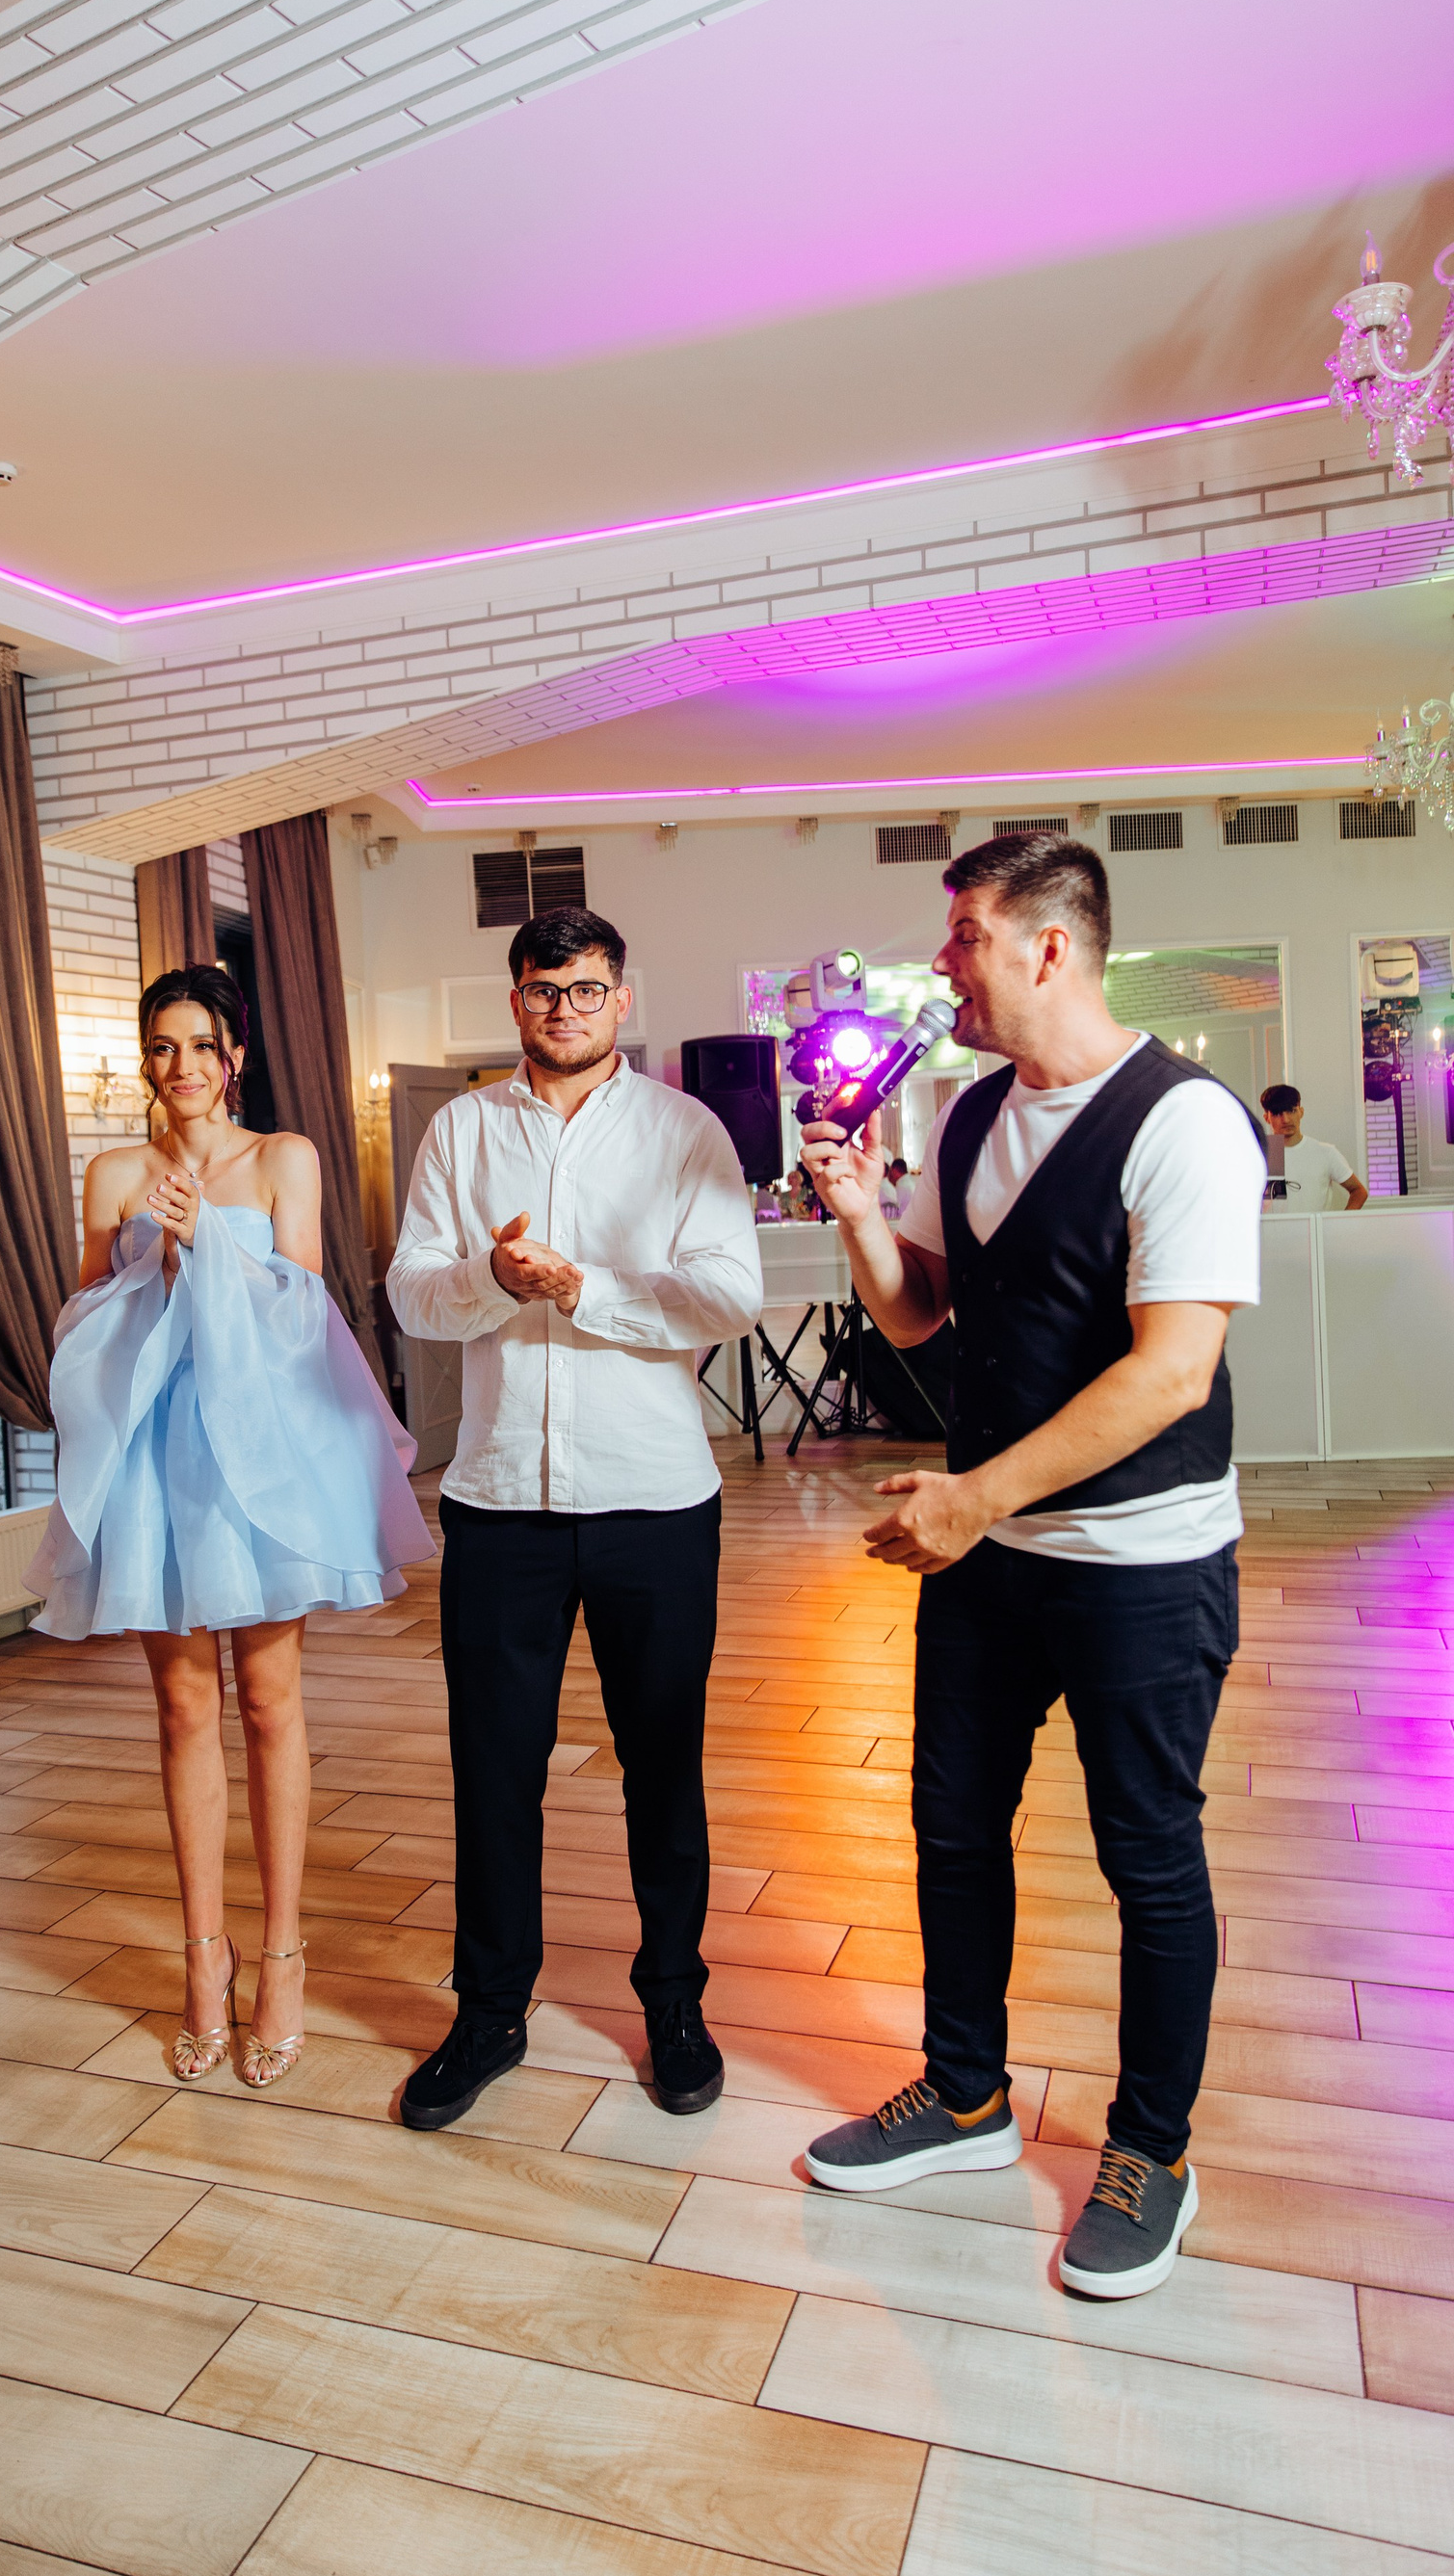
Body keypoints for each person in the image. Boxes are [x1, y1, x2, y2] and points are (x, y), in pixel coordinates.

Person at [796, 834, 1264, 2300]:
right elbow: (922, 1314)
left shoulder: (1186, 1123)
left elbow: (1174, 1373)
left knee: (1149, 1858)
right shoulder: (968, 1113)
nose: (941, 966)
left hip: (1142, 1561)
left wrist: (972, 1497)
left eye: (962, 938)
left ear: (1047, 946)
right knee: (951, 1827)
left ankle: (1153, 2150)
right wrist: (861, 1217)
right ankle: (966, 2095)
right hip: (991, 1558)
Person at [386, 907, 763, 2131]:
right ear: (517, 1001)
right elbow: (412, 1294)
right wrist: (490, 1281)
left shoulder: (684, 1130)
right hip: (500, 1500)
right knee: (494, 1771)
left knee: (664, 1766)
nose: (566, 1009)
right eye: (545, 990)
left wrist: (581, 1288)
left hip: (655, 1496)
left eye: (588, 989)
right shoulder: (460, 1130)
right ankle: (490, 2011)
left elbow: (730, 1295)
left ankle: (675, 2004)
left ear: (621, 998)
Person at [24, 963, 431, 2089]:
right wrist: (150, 1261)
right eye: (163, 1047)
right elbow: (80, 1321)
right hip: (154, 1461)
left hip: (257, 1455)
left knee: (268, 1699)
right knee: (181, 1706)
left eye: (203, 1045)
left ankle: (283, 1956)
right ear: (146, 1059)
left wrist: (211, 1240)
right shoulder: (114, 1173)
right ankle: (204, 1959)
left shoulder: (285, 1157)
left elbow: (307, 1314)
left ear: (234, 1055)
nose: (183, 1067)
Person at [1259, 1084, 1367, 1210]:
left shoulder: (1325, 1152)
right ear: (1267, 1118)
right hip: (1272, 1223)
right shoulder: (1260, 1154)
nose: (1286, 1120)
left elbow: (1359, 1191)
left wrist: (1342, 1220)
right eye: (1277, 1114)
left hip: (1315, 1223)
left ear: (1301, 1112)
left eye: (1291, 1111)